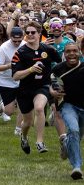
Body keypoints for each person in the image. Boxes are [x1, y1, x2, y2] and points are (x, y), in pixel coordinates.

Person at [12, 22, 59, 154]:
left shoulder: (48, 49)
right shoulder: (20, 53)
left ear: (39, 33)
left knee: (39, 108)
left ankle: (39, 142)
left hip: (43, 86)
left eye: (33, 32)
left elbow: (60, 65)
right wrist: (31, 69)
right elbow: (15, 76)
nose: (30, 35)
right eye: (28, 33)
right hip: (25, 89)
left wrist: (55, 79)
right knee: (27, 122)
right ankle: (24, 137)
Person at [52, 43, 84, 179]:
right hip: (67, 105)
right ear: (64, 54)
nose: (72, 54)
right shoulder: (58, 69)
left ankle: (65, 142)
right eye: (68, 51)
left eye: (74, 51)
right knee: (74, 130)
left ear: (79, 53)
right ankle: (77, 167)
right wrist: (53, 92)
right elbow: (52, 86)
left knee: (77, 136)